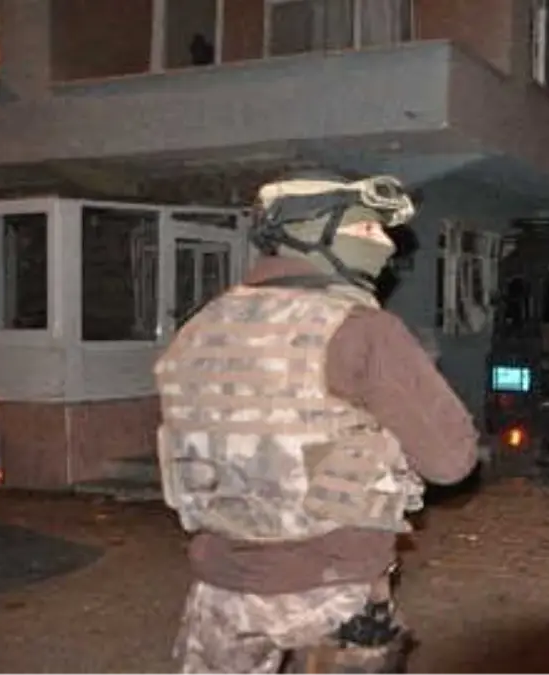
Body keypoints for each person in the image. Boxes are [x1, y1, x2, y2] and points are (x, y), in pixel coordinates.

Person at [156, 174, 479, 675]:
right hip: (333, 584)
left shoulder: (201, 325)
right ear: (312, 234)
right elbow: (451, 460)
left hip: (222, 583)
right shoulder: (361, 328)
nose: (386, 245)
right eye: (368, 230)